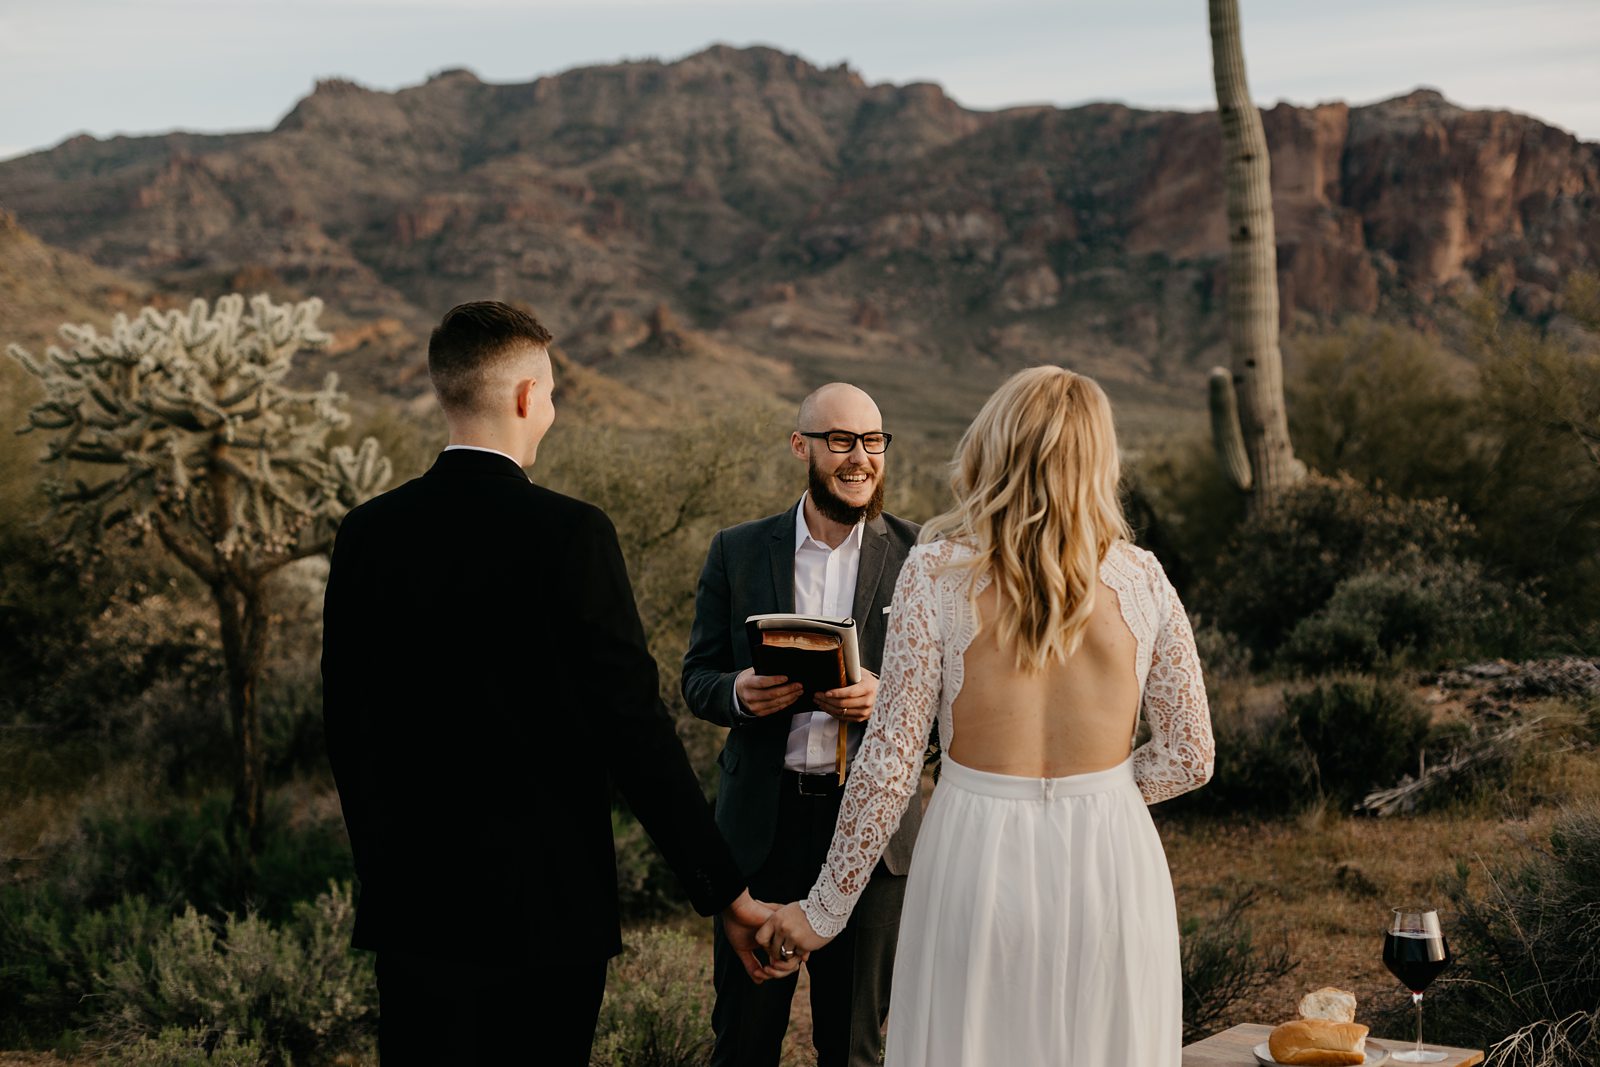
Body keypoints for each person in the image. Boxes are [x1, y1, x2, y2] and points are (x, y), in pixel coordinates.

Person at [321, 302, 788, 1066]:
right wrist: (724, 892)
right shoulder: (572, 534)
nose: (555, 408)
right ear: (523, 396)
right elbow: (635, 731)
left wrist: (386, 867)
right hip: (547, 916)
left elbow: (347, 726)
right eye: (553, 391)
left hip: (413, 913)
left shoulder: (369, 533)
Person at [758, 366, 1215, 1067]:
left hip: (975, 853)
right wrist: (1105, 793)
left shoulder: (935, 573)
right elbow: (1191, 754)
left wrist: (820, 912)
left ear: (992, 449)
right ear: (1101, 459)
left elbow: (888, 766)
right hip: (1112, 861)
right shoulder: (1144, 578)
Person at [682, 383, 922, 1067]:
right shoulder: (737, 550)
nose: (860, 457)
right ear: (802, 446)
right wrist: (737, 692)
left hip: (871, 840)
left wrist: (888, 699)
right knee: (744, 1041)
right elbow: (696, 677)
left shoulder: (920, 558)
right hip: (762, 831)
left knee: (854, 1048)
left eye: (873, 441)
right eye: (841, 440)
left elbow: (953, 711)